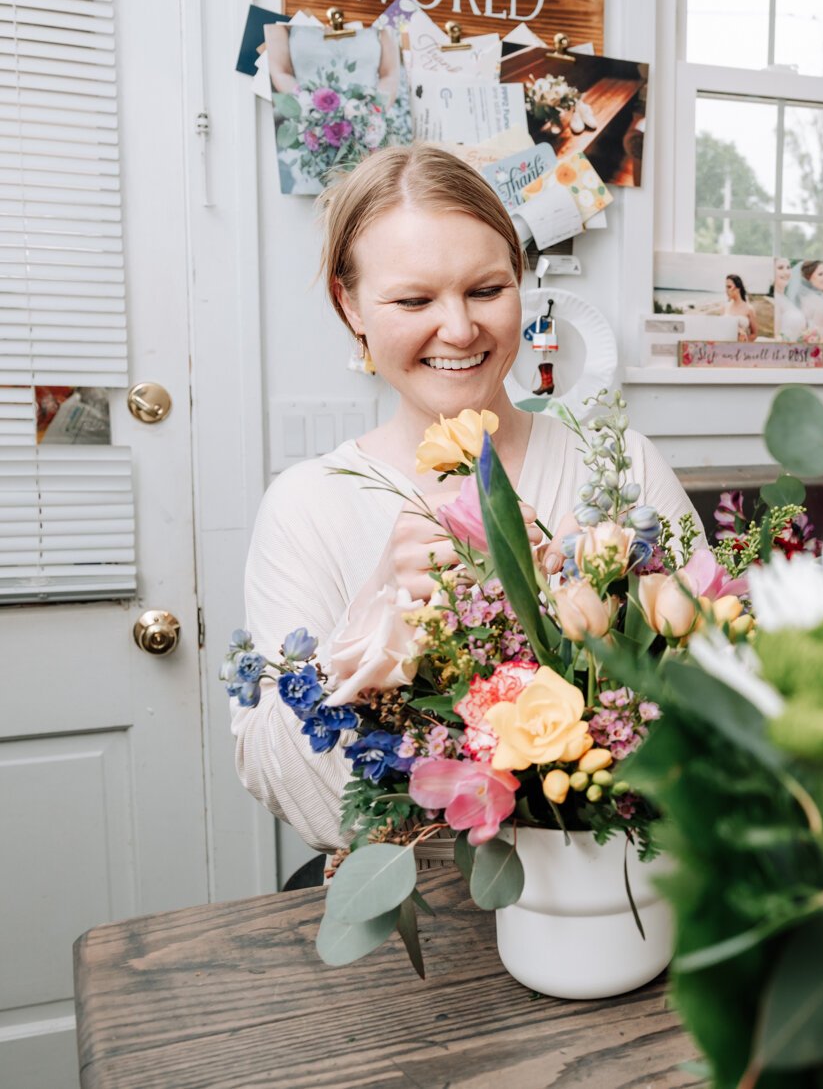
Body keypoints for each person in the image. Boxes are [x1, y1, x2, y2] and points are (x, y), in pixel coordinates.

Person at [234, 146, 701, 852]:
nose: (458, 329)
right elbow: (301, 798)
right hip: (421, 907)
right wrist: (378, 616)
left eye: (486, 290)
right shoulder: (306, 507)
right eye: (414, 300)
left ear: (519, 281)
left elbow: (730, 701)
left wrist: (614, 609)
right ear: (349, 305)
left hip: (611, 889)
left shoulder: (617, 466)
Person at [771, 259, 808, 341]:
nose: (786, 272)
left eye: (788, 268)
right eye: (780, 268)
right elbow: (776, 337)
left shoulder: (786, 299)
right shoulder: (774, 300)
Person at [719, 274, 758, 342]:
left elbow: (754, 334)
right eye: (726, 287)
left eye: (729, 287)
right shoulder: (724, 307)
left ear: (738, 288)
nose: (726, 290)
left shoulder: (749, 309)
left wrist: (744, 340)